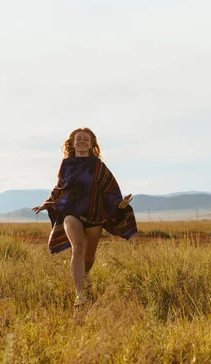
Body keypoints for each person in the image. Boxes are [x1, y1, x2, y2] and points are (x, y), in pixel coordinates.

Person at [33, 127, 138, 306]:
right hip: (71, 213)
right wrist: (49, 203)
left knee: (89, 257)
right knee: (78, 247)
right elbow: (60, 188)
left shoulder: (98, 166)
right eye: (78, 139)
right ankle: (79, 294)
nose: (81, 141)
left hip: (94, 215)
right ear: (72, 143)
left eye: (85, 139)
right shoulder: (66, 164)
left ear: (91, 144)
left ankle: (85, 276)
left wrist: (119, 205)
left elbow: (110, 188)